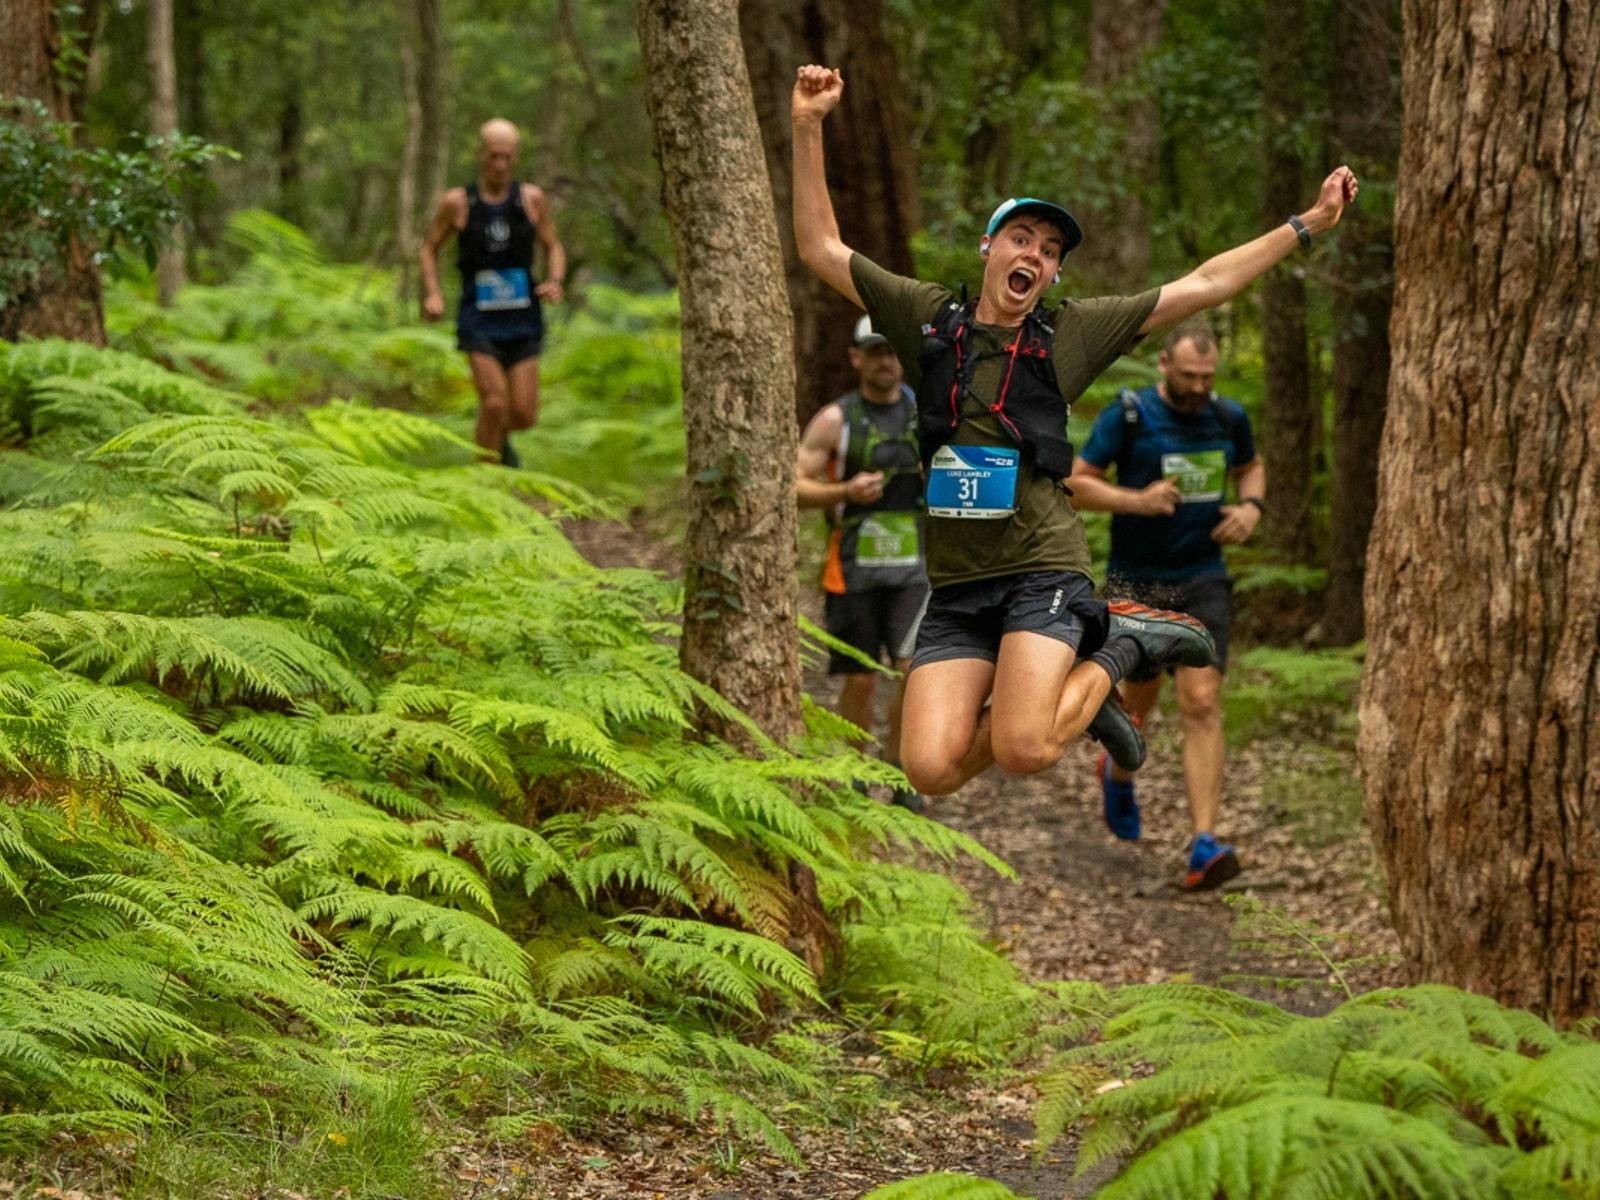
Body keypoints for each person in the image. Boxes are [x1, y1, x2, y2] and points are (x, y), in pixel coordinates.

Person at [789, 63, 1356, 805]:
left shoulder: (1071, 335)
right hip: (957, 585)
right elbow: (821, 249)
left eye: (1050, 251)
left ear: (1053, 274)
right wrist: (807, 126)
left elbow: (1206, 284)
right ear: (989, 247)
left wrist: (1305, 225)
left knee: (1026, 749)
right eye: (1021, 238)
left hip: (1040, 570)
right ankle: (1104, 666)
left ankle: (1121, 644)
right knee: (927, 771)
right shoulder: (928, 318)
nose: (1034, 255)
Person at [1069, 321, 1265, 889]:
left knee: (1201, 701)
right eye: (1188, 376)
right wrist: (1137, 499)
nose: (1200, 386)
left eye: (1208, 377)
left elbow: (1251, 465)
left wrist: (1251, 506)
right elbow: (1078, 483)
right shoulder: (1128, 416)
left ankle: (1204, 843)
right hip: (1138, 581)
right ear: (1163, 365)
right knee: (1140, 701)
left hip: (1203, 575)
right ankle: (1120, 768)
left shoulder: (1228, 417)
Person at [796, 315, 930, 811]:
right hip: (850, 567)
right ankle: (855, 770)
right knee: (860, 676)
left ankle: (898, 770)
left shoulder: (926, 413)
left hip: (915, 567)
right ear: (857, 357)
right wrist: (845, 491)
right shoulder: (836, 419)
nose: (886, 362)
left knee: (911, 667)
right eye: (875, 352)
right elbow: (794, 484)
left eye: (893, 352)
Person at [420, 118, 567, 468]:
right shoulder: (458, 202)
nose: (499, 165)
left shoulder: (531, 199)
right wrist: (433, 293)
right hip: (479, 320)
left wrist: (555, 280)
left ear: (515, 158)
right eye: (493, 156)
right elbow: (428, 248)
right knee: (495, 403)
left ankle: (496, 439)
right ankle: (488, 483)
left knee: (524, 414)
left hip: (523, 318)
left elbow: (553, 245)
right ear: (480, 155)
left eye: (507, 157)